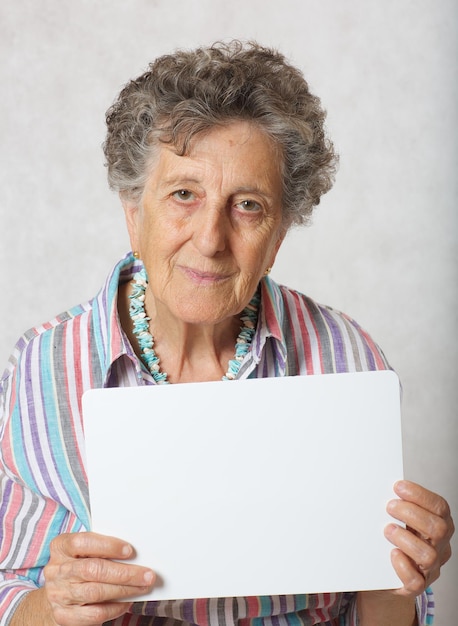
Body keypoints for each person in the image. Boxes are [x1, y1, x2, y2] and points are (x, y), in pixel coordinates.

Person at [0, 40, 453, 626]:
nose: (211, 239)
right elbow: (8, 588)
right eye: (184, 195)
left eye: (247, 205)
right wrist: (51, 607)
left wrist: (400, 579)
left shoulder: (348, 360)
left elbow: (382, 611)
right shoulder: (41, 369)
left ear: (279, 236)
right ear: (134, 213)